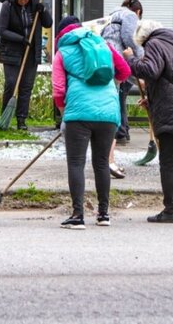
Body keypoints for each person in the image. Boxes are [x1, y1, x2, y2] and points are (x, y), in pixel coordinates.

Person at [52, 15, 130, 229]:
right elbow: (125, 71)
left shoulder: (62, 52)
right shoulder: (103, 45)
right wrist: (109, 86)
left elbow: (59, 90)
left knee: (76, 163)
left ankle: (77, 216)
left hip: (78, 113)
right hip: (108, 113)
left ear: (62, 34)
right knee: (102, 163)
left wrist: (64, 113)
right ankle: (103, 214)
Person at [124, 19, 173, 223]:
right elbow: (172, 77)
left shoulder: (155, 43)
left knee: (169, 163)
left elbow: (150, 70)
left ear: (143, 37)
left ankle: (170, 210)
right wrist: (152, 97)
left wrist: (131, 60)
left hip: (172, 112)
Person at [0, 0, 53, 130]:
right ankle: (5, 119)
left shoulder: (35, 4)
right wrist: (21, 39)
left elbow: (48, 23)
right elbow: (1, 30)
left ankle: (21, 120)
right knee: (11, 83)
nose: (23, 3)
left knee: (26, 86)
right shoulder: (8, 5)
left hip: (31, 52)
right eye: (20, 0)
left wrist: (44, 11)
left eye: (25, 1)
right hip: (12, 51)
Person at [101, 0, 143, 178]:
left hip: (103, 57)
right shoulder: (131, 16)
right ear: (139, 12)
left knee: (114, 99)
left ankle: (117, 138)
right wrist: (140, 57)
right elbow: (129, 38)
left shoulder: (112, 15)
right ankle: (110, 156)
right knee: (116, 102)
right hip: (116, 59)